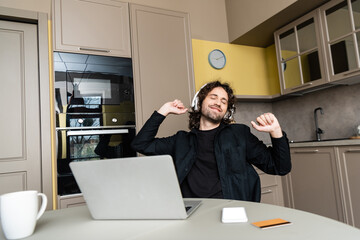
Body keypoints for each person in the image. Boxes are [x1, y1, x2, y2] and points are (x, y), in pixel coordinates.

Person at [131, 81, 291, 202]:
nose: (218, 103)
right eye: (213, 97)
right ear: (200, 104)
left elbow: (280, 167)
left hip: (230, 210)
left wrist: (276, 132)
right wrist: (163, 111)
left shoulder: (239, 134)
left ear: (227, 111)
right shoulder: (181, 140)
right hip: (191, 211)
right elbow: (140, 144)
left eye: (224, 101)